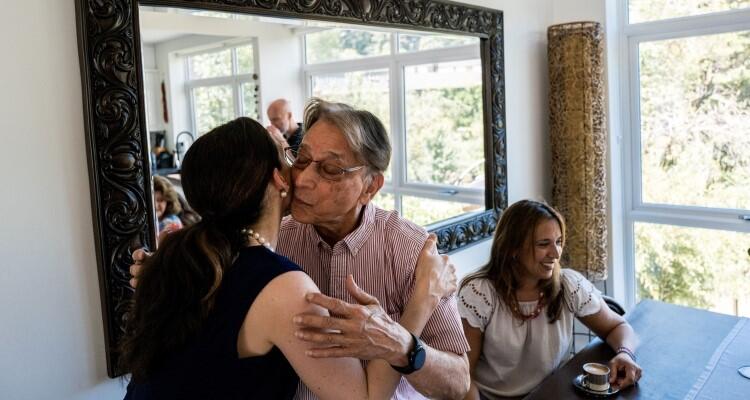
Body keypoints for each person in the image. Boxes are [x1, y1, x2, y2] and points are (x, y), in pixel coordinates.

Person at [131, 98, 472, 399]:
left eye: (329, 169)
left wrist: (404, 346)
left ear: (371, 186)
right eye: (301, 158)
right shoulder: (264, 253)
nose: (304, 178)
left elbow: (458, 382)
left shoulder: (413, 250)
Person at [457, 200, 642, 399]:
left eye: (559, 242)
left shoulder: (568, 285)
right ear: (513, 249)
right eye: (543, 244)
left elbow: (618, 327)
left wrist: (625, 353)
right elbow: (463, 375)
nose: (555, 253)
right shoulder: (479, 293)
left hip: (554, 393)